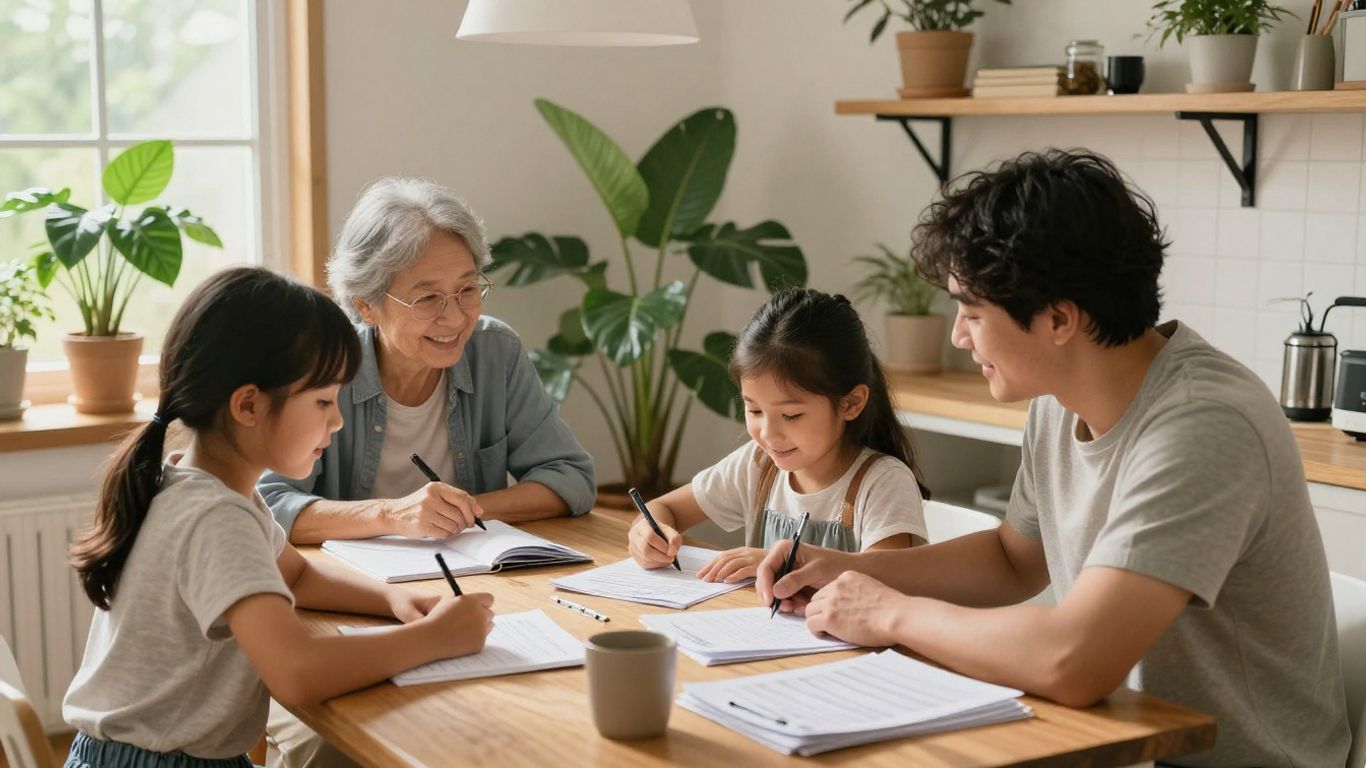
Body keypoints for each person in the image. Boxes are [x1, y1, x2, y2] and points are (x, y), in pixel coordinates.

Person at [756, 149, 1350, 767]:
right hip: (1110, 743)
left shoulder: (1205, 424)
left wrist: (891, 613)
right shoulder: (1060, 400)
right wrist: (848, 568)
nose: (959, 335)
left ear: (1060, 319)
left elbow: (1074, 662)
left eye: (973, 312)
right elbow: (1013, 560)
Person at [62, 267, 495, 768]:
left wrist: (395, 599)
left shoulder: (199, 485)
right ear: (248, 404)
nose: (336, 420)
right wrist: (434, 639)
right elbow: (297, 672)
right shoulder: (216, 518)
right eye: (322, 401)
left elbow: (299, 574)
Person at [258, 177, 595, 545]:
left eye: (467, 289)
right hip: (350, 585)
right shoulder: (322, 367)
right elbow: (269, 505)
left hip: (473, 574)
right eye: (428, 298)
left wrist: (458, 512)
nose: (454, 318)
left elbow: (570, 478)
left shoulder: (495, 352)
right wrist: (393, 516)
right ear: (365, 305)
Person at [629, 289, 928, 584]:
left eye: (791, 416)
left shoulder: (883, 482)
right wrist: (648, 532)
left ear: (850, 403)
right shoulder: (759, 465)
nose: (768, 434)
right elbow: (663, 509)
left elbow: (885, 582)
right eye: (755, 411)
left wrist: (787, 564)